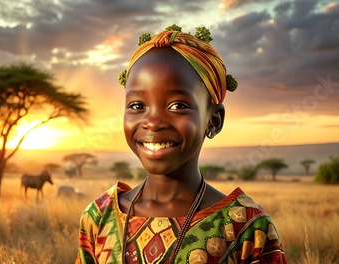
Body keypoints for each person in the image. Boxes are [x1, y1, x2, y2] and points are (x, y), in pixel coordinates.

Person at [76, 25, 287, 264]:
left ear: (213, 121)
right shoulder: (99, 217)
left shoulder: (247, 227)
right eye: (137, 106)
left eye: (178, 105)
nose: (153, 123)